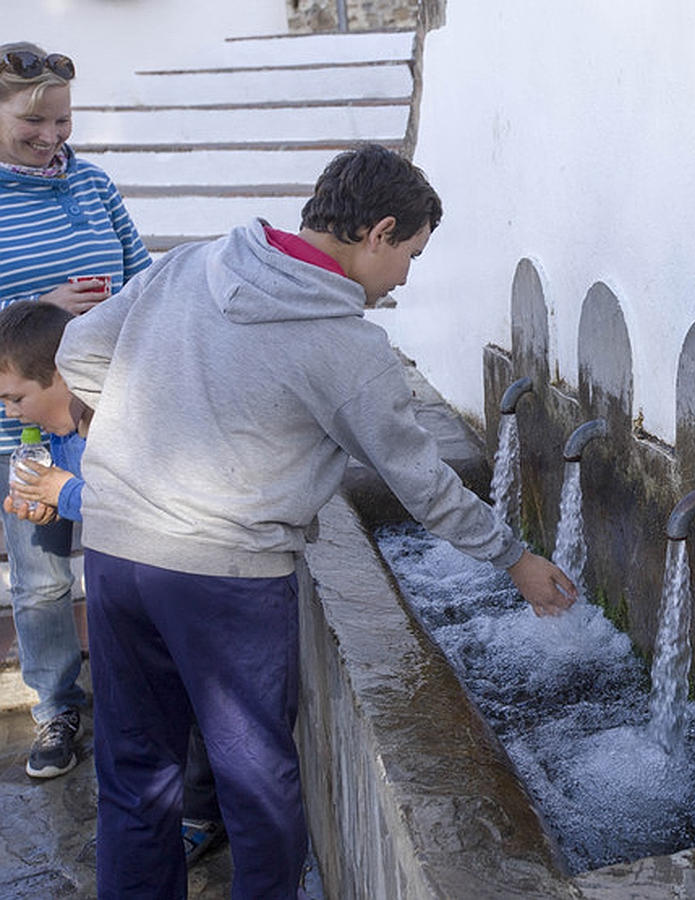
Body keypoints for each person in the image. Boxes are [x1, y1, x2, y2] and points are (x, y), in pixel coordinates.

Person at [56, 144, 579, 898]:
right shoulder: (347, 347)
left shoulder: (194, 262)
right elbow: (422, 483)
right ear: (380, 231)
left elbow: (79, 352)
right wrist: (516, 560)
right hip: (226, 580)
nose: (403, 278)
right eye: (411, 254)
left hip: (115, 553)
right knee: (258, 789)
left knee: (136, 772)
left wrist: (172, 414)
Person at [0, 299, 228, 866]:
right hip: (126, 585)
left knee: (194, 705)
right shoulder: (55, 430)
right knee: (140, 705)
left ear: (61, 372)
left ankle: (202, 813)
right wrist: (50, 501)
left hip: (181, 578)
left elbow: (130, 496)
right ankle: (150, 814)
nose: (10, 413)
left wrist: (65, 493)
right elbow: (80, 493)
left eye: (16, 398)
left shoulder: (116, 417)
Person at [0, 40, 152, 778]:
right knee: (44, 582)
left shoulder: (93, 185)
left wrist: (116, 309)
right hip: (19, 429)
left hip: (106, 415)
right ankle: (57, 706)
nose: (54, 138)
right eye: (36, 123)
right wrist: (41, 312)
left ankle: (135, 692)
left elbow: (145, 277)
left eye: (62, 122)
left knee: (132, 560)